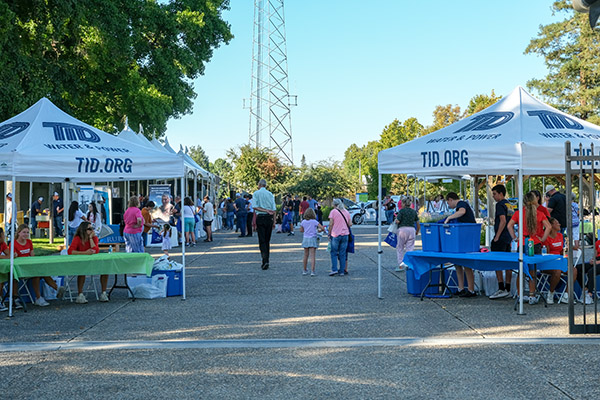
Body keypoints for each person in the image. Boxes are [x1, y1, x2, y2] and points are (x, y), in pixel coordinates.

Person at [507, 192, 552, 305]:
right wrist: (542, 239)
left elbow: (509, 225)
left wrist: (514, 237)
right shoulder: (539, 213)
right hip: (535, 242)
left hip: (522, 242)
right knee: (532, 270)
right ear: (535, 201)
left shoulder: (519, 213)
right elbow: (549, 227)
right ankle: (532, 295)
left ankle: (519, 294)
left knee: (521, 270)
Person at [14, 224, 65, 307]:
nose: (26, 234)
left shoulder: (29, 242)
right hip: (20, 269)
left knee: (41, 271)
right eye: (24, 232)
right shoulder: (14, 244)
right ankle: (38, 297)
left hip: (30, 266)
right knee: (36, 273)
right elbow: (14, 257)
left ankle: (57, 289)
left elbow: (32, 255)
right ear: (18, 233)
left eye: (27, 232)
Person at [444, 192, 477, 297]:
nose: (449, 205)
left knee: (466, 264)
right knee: (458, 263)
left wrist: (449, 218)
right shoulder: (459, 206)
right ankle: (460, 288)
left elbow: (462, 212)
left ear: (450, 199)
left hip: (468, 235)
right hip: (463, 236)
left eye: (448, 203)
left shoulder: (461, 204)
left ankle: (471, 289)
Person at [68, 221, 109, 303]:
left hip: (93, 262)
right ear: (83, 230)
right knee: (82, 271)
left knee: (105, 269)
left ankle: (104, 293)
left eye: (92, 228)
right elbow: (70, 251)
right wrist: (84, 253)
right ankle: (80, 294)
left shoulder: (94, 238)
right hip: (81, 263)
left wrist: (90, 238)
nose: (92, 230)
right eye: (89, 229)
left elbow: (96, 250)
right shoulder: (77, 238)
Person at [489, 184, 514, 300]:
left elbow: (503, 220)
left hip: (501, 236)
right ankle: (508, 288)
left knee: (496, 261)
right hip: (508, 237)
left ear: (500, 193)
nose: (493, 196)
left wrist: (497, 236)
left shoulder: (500, 204)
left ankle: (501, 287)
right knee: (508, 262)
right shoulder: (509, 204)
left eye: (494, 194)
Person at [252, 179, 276, 270]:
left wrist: (264, 210)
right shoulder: (270, 194)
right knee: (267, 240)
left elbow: (255, 206)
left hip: (261, 217)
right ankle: (267, 260)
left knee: (262, 240)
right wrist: (274, 221)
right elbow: (274, 209)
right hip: (269, 218)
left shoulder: (256, 194)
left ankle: (264, 260)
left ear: (259, 184)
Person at [542, 218, 565, 304]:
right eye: (557, 223)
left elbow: (562, 250)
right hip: (549, 263)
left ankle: (565, 295)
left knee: (573, 270)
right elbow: (546, 253)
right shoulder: (546, 238)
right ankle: (551, 293)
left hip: (559, 261)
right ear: (551, 226)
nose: (559, 224)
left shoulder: (560, 236)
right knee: (557, 271)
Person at [394, 197, 420, 272]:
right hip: (411, 230)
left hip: (402, 230)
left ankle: (401, 264)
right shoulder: (413, 212)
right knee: (410, 248)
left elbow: (398, 221)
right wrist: (417, 231)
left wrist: (395, 220)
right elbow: (417, 223)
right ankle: (409, 264)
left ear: (404, 203)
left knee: (400, 247)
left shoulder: (401, 211)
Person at [0, 227, 23, 312]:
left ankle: (14, 298)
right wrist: (8, 256)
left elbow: (10, 254)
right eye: (3, 235)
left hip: (3, 267)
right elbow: (8, 256)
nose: (4, 236)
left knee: (13, 275)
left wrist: (10, 255)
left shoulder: (2, 244)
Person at [328, 198, 352, 276]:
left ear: (334, 204)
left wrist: (329, 233)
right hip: (345, 234)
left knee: (334, 253)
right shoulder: (346, 212)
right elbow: (350, 224)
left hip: (335, 234)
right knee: (342, 253)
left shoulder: (333, 212)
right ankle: (342, 271)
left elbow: (331, 223)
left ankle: (334, 269)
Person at [576, 237, 600, 305]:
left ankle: (589, 294)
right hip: (597, 260)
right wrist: (593, 260)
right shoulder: (598, 242)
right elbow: (595, 254)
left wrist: (598, 262)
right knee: (578, 268)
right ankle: (585, 289)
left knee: (591, 272)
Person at [300, 208, 324, 277]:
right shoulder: (314, 221)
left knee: (305, 255)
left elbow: (301, 230)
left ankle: (304, 270)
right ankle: (312, 271)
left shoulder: (303, 221)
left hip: (305, 238)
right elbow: (322, 228)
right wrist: (318, 230)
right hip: (313, 238)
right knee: (312, 256)